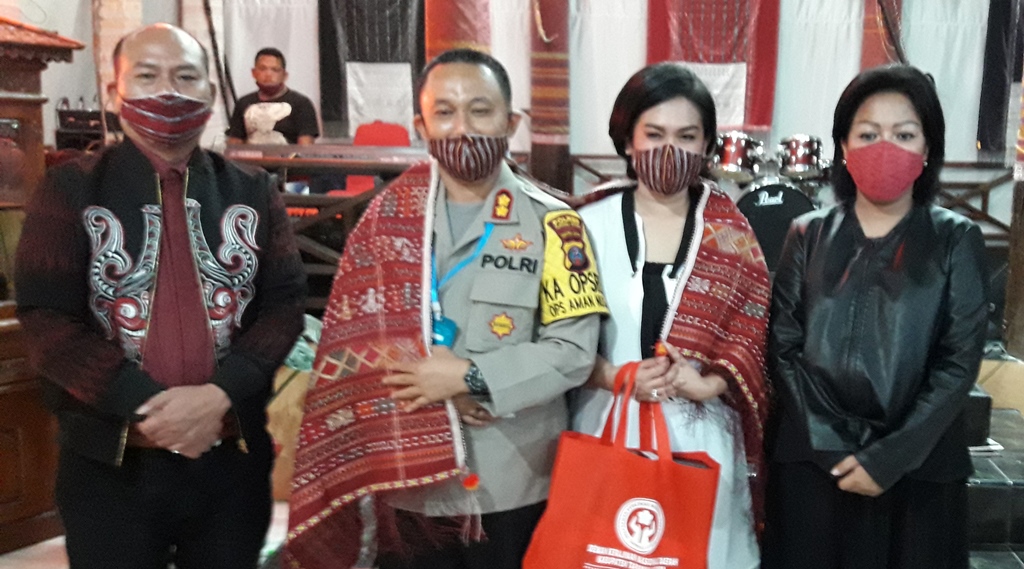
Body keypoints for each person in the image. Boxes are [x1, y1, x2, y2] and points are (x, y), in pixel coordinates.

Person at [283, 48, 607, 569]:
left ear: (511, 122)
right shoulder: (384, 220)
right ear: (422, 126)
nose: (463, 128)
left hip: (512, 480)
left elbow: (572, 351)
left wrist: (469, 379)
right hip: (409, 480)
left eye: (481, 111)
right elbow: (352, 340)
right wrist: (432, 393)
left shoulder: (557, 224)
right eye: (445, 112)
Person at [15, 24, 307, 569]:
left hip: (231, 456)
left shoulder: (252, 190)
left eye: (186, 77)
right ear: (114, 92)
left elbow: (285, 306)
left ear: (211, 94)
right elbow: (46, 318)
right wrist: (147, 405)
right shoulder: (70, 190)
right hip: (110, 463)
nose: (168, 92)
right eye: (147, 76)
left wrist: (219, 394)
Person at [762, 64, 989, 569]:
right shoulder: (806, 234)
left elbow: (958, 361)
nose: (885, 147)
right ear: (843, 145)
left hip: (917, 470)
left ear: (927, 149)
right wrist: (832, 445)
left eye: (904, 134)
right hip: (815, 466)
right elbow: (784, 345)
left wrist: (887, 458)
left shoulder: (955, 239)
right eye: (868, 134)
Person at [571, 62, 769, 569]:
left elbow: (753, 334)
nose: (669, 150)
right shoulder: (582, 226)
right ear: (627, 140)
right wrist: (614, 376)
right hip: (606, 427)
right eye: (654, 134)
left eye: (686, 136)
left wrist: (711, 383)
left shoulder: (732, 235)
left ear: (706, 146)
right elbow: (556, 340)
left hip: (701, 439)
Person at [226, 47, 319, 145]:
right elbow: (234, 143)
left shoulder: (301, 104)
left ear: (285, 75)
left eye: (275, 70)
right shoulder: (243, 103)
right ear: (254, 73)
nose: (268, 74)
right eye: (263, 69)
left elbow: (305, 147)